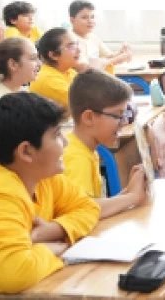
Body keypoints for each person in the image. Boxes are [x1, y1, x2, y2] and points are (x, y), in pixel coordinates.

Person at [0, 92, 100, 293]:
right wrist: (50, 249)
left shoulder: (44, 176)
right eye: (56, 135)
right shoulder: (4, 189)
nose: (66, 142)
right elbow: (13, 273)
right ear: (26, 151)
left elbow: (88, 207)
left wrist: (55, 229)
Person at [62, 69, 148, 219]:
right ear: (89, 118)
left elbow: (92, 204)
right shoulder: (76, 158)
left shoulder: (86, 149)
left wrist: (129, 191)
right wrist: (132, 197)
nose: (124, 122)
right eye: (118, 115)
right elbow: (82, 211)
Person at [69, 0, 132, 73]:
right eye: (84, 17)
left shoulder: (93, 37)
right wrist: (116, 60)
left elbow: (108, 56)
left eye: (92, 17)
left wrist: (121, 53)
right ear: (72, 20)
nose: (90, 21)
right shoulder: (70, 41)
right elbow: (85, 69)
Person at [29, 28, 81, 111]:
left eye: (78, 44)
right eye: (72, 47)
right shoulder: (48, 79)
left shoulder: (68, 71)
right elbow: (88, 104)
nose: (79, 50)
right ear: (54, 55)